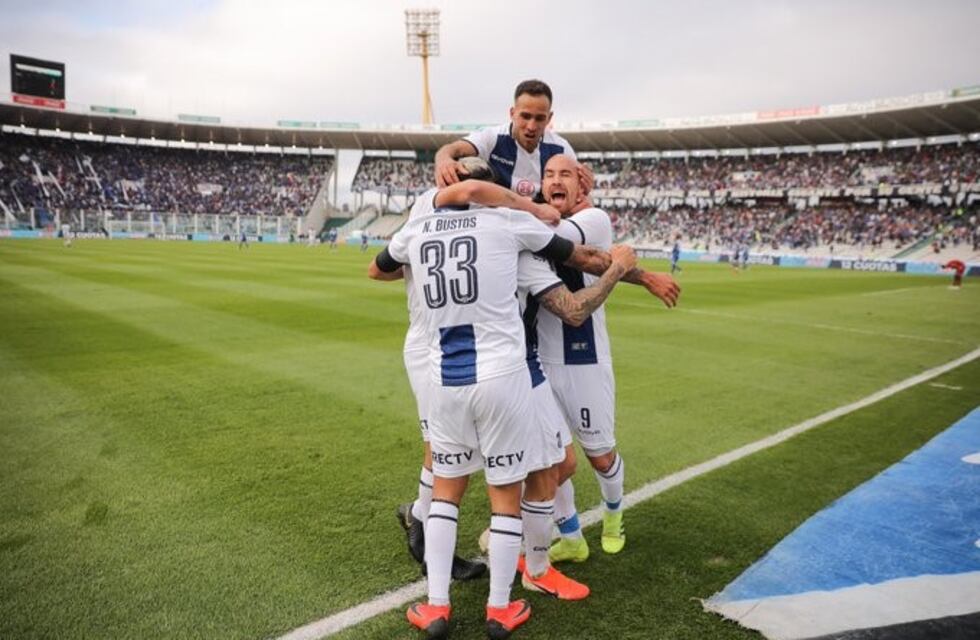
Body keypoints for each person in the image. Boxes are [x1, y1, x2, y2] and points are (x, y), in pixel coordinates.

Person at [370, 193, 633, 639]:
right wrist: (622, 267)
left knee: (449, 488)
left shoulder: (417, 230)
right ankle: (510, 595)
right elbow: (572, 301)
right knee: (516, 487)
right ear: (492, 194)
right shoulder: (507, 229)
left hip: (444, 377)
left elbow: (378, 267)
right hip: (509, 377)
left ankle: (437, 606)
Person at [531, 154, 680, 565]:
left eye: (565, 175)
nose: (555, 181)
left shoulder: (593, 219)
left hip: (584, 358)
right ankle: (573, 537)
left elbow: (557, 239)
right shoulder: (540, 218)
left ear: (583, 187)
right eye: (548, 175)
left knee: (600, 454)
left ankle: (614, 516)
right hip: (541, 359)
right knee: (552, 457)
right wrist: (644, 275)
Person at [434, 79, 593, 199]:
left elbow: (580, 195)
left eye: (539, 118)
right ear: (512, 113)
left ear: (549, 118)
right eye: (525, 116)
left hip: (543, 225)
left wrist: (584, 188)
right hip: (497, 221)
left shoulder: (561, 149)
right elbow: (451, 149)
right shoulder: (493, 137)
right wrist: (444, 161)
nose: (531, 126)